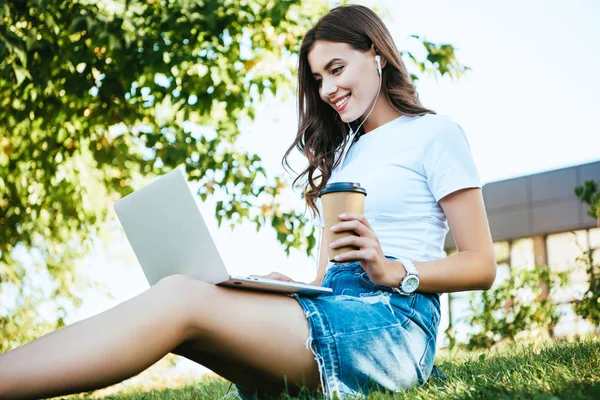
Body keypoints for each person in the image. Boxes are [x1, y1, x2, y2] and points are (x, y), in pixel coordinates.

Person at [0, 4, 496, 400]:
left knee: (181, 300)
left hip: (392, 327)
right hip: (339, 311)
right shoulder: (345, 158)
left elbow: (481, 265)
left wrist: (393, 271)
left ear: (376, 54)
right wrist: (292, 287)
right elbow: (329, 278)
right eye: (318, 79)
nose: (327, 90)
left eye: (336, 69)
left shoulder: (435, 133)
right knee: (187, 293)